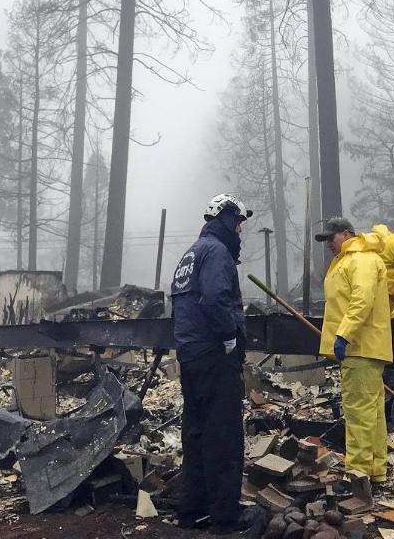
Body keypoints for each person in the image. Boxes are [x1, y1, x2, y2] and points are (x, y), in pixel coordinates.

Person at [170, 194, 251, 533]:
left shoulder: (190, 254)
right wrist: (229, 336)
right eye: (239, 223)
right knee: (224, 436)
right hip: (215, 356)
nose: (240, 231)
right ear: (227, 219)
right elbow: (216, 297)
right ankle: (223, 518)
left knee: (197, 434)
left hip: (190, 355)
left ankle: (193, 510)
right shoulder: (217, 252)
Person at [316, 217, 392, 483]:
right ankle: (374, 471)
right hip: (362, 347)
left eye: (331, 238)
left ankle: (358, 474)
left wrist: (343, 335)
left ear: (346, 234)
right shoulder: (351, 260)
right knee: (371, 412)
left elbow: (362, 299)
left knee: (359, 412)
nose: (328, 245)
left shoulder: (360, 260)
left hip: (360, 347)